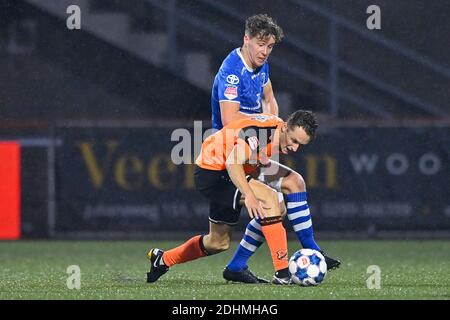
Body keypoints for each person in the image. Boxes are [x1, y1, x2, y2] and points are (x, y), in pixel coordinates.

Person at [210, 14, 341, 284]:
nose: (265, 51)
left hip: (251, 149)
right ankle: (278, 270)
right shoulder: (232, 73)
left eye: (269, 47)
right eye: (260, 44)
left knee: (294, 182)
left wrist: (269, 129)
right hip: (228, 155)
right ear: (246, 39)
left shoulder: (262, 66)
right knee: (223, 237)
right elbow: (229, 121)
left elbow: (270, 100)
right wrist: (264, 128)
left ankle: (308, 251)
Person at [147, 111, 318, 285]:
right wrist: (250, 195)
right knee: (270, 199)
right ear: (284, 127)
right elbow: (233, 162)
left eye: (300, 145)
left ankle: (163, 260)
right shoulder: (259, 133)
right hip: (214, 173)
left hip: (224, 170)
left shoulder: (275, 128)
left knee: (218, 243)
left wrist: (258, 158)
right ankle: (282, 274)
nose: (295, 148)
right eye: (294, 140)